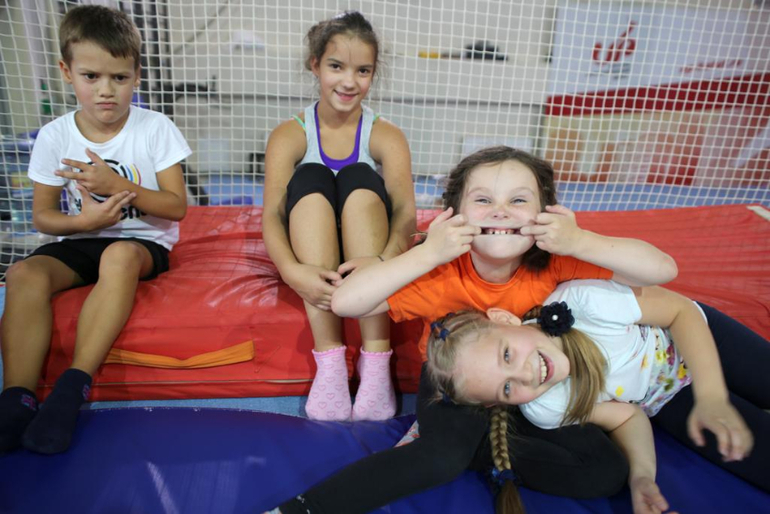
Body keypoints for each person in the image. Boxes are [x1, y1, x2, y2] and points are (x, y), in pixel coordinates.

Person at [271, 146, 678, 513]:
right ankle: (302, 510)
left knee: (604, 471)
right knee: (442, 459)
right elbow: (346, 303)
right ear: (455, 215)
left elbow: (662, 269)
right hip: (456, 377)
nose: (500, 211)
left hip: (533, 383)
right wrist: (428, 252)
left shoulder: (556, 257)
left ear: (545, 213)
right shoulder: (440, 271)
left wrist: (580, 240)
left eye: (518, 200)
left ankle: (483, 447)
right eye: (483, 200)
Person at [0, 4, 191, 455]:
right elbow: (43, 216)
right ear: (67, 72)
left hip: (142, 242)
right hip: (80, 238)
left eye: (119, 78)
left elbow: (177, 207)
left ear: (136, 76)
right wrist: (83, 223)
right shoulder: (54, 136)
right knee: (23, 274)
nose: (106, 90)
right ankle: (16, 397)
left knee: (117, 256)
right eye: (91, 76)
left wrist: (117, 186)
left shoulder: (154, 128)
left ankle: (72, 387)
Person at [426, 279, 768, 513]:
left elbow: (681, 312)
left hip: (701, 340)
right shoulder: (545, 407)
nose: (526, 374)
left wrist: (712, 395)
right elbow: (627, 416)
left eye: (507, 355)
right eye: (507, 388)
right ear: (497, 403)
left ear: (504, 319)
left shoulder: (582, 303)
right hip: (669, 396)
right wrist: (642, 477)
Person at [263, 11, 416, 421]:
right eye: (336, 67)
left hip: (366, 245)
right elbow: (272, 216)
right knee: (311, 174)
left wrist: (382, 262)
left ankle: (376, 362)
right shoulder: (289, 134)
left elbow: (405, 212)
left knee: (358, 174)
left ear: (373, 74)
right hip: (311, 242)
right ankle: (330, 361)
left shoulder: (385, 135)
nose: (349, 82)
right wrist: (291, 271)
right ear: (315, 65)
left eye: (362, 71)